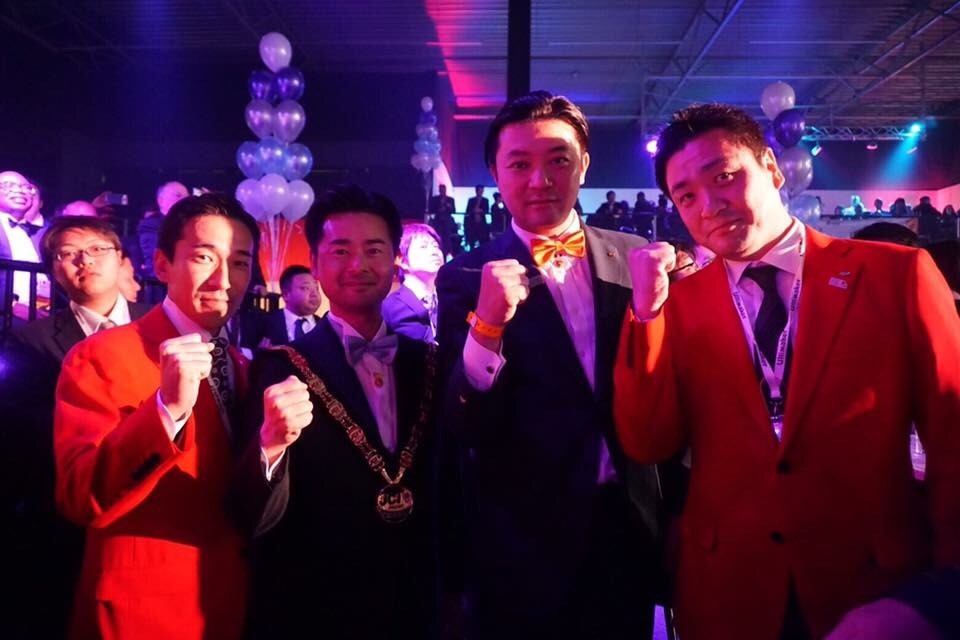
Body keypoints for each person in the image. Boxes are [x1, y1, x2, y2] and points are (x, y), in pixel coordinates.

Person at [613, 103, 960, 640]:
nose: (709, 205)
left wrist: (945, 592)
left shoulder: (895, 275)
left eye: (724, 177)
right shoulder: (677, 304)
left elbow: (953, 437)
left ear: (772, 168)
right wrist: (646, 315)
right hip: (727, 588)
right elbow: (647, 438)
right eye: (686, 196)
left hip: (875, 584)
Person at [436, 90, 666, 639]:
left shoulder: (634, 254)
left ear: (583, 164)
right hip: (524, 537)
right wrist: (487, 325)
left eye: (558, 160)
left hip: (627, 527)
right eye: (519, 164)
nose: (540, 180)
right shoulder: (464, 276)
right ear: (495, 173)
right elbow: (464, 422)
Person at [233, 184, 444, 638]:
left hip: (416, 593)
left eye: (374, 250)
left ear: (394, 261)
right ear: (315, 262)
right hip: (318, 597)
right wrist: (270, 445)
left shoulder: (428, 363)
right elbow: (249, 506)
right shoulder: (280, 366)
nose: (358, 265)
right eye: (341, 251)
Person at [54, 193, 259, 639]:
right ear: (162, 265)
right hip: (142, 613)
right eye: (204, 257)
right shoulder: (100, 354)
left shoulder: (243, 366)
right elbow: (78, 496)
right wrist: (166, 410)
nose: (224, 279)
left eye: (240, 262)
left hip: (231, 602)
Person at [0, 216, 152, 639]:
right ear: (54, 271)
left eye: (97, 249)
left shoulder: (158, 325)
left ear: (121, 260)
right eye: (68, 254)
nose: (85, 261)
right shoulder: (31, 339)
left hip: (153, 497)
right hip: (73, 506)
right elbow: (26, 428)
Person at [383, 222, 444, 343]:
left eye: (436, 246)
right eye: (423, 247)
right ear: (402, 261)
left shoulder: (447, 298)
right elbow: (428, 347)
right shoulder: (394, 307)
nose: (434, 252)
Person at [0, 171, 49, 316]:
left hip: (42, 312)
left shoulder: (40, 233)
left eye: (27, 188)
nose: (20, 191)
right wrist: (11, 306)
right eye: (9, 186)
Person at [249, 264, 323, 347]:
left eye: (316, 288)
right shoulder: (263, 324)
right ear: (286, 295)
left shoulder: (325, 326)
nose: (314, 294)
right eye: (306, 288)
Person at [138, 180, 188, 278]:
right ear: (161, 201)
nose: (184, 200)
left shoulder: (190, 224)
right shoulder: (151, 225)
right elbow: (157, 264)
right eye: (178, 196)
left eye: (187, 197)